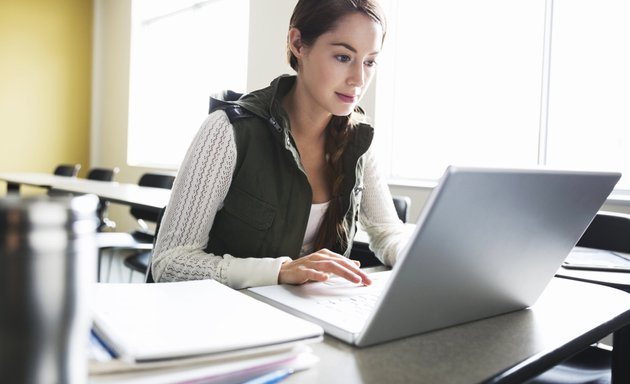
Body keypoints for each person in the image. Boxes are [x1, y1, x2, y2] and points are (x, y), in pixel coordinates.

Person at [151, 0, 410, 289]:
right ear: (298, 44)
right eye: (342, 57)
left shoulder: (357, 138)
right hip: (225, 320)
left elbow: (387, 233)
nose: (359, 79)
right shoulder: (228, 131)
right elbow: (169, 263)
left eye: (370, 61)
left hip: (314, 319)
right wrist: (280, 271)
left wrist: (417, 257)